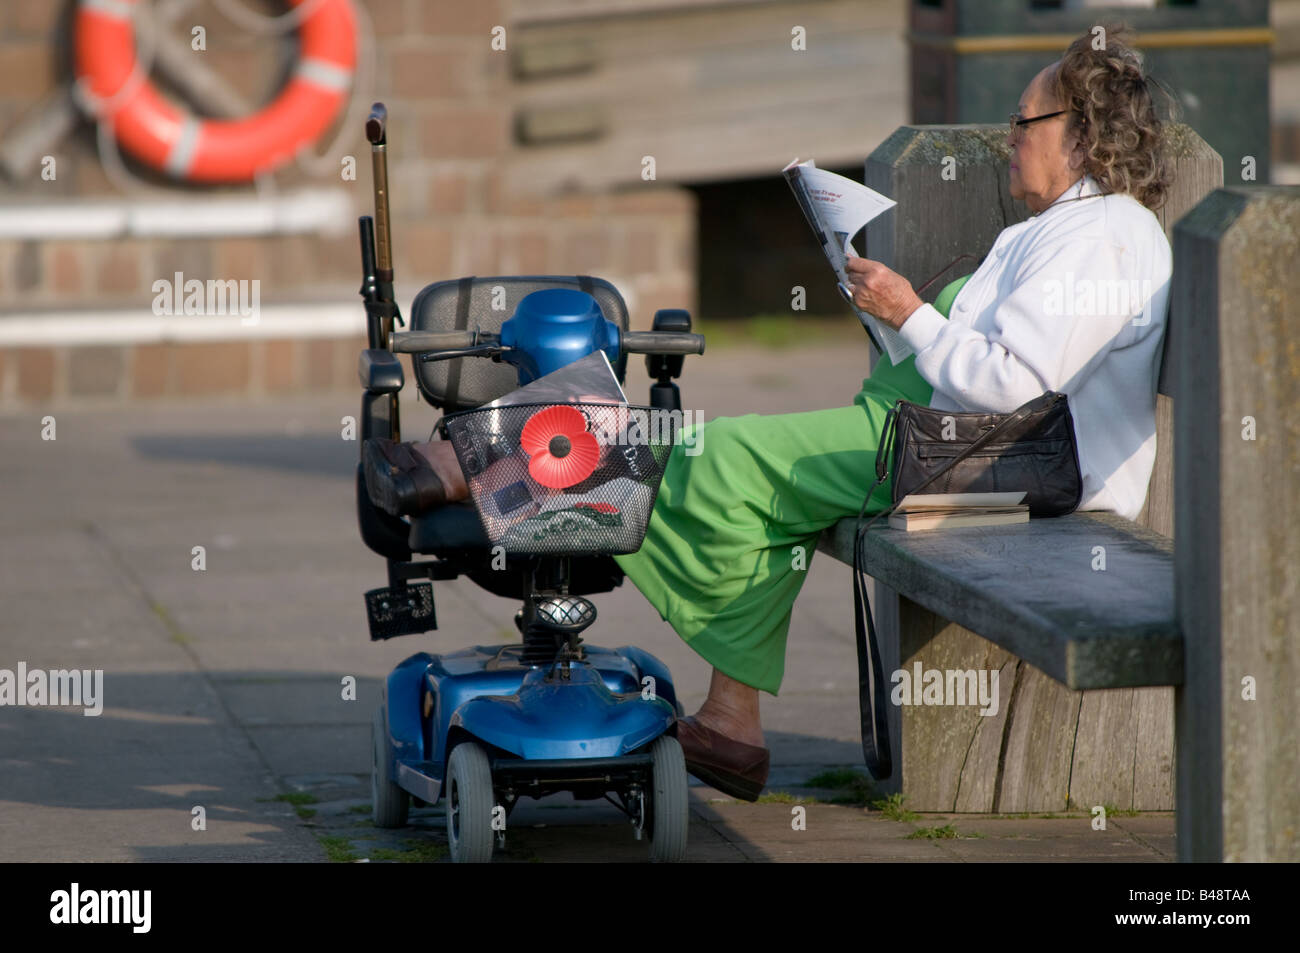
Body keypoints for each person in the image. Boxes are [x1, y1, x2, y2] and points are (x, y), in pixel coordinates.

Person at [362, 27, 1174, 802]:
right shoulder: (1063, 228)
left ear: (1083, 134)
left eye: (1023, 120)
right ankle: (727, 714)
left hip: (997, 463)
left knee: (725, 458)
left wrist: (910, 310)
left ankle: (469, 462)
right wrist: (890, 311)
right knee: (709, 456)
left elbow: (1011, 384)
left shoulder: (1105, 233)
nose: (1009, 136)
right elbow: (977, 360)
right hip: (942, 438)